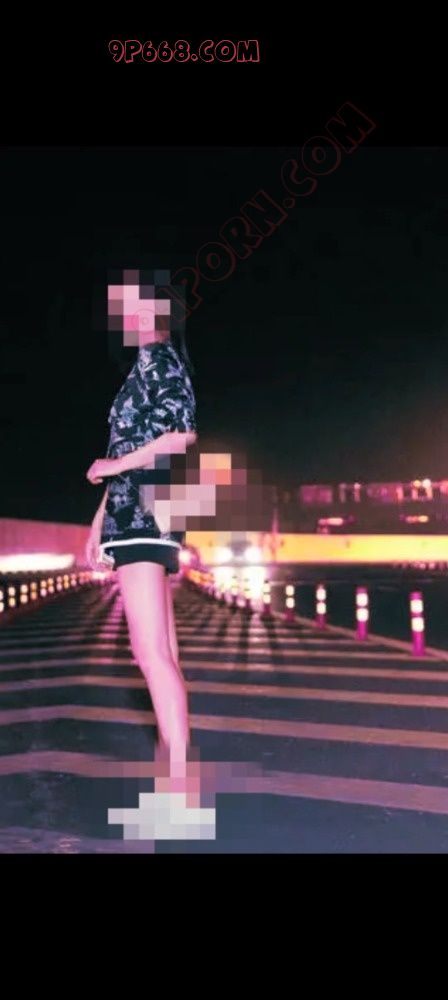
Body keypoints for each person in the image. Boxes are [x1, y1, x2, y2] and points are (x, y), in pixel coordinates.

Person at [85, 289, 198, 803]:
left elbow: (181, 436)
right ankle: (175, 774)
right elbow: (125, 448)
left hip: (145, 515)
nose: (124, 318)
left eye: (132, 309)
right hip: (134, 515)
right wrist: (98, 524)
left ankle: (177, 784)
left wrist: (113, 467)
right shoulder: (144, 367)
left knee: (149, 652)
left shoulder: (159, 359)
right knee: (162, 652)